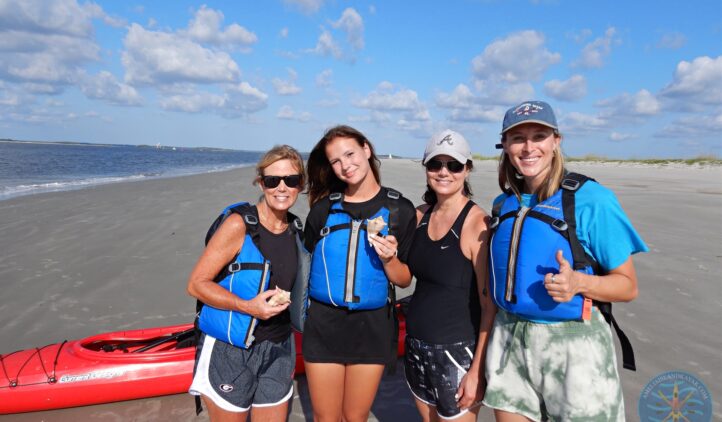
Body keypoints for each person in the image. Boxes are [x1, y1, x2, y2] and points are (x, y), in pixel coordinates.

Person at [482, 101, 648, 421]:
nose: (528, 147)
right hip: (509, 340)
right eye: (518, 138)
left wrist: (579, 283)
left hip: (575, 346)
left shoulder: (592, 200)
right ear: (504, 146)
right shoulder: (503, 204)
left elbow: (628, 286)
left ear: (556, 141)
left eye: (539, 136)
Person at [303, 125, 416, 422]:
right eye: (335, 161)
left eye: (350, 154)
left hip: (372, 328)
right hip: (323, 324)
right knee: (325, 417)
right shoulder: (323, 210)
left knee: (355, 417)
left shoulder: (400, 210)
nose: (345, 165)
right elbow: (305, 261)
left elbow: (405, 279)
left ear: (366, 149)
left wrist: (389, 259)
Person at [187, 145, 308, 422]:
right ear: (260, 182)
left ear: (300, 185)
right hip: (230, 351)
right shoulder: (238, 225)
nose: (281, 187)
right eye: (272, 180)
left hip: (279, 348)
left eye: (290, 180)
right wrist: (247, 306)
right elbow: (196, 284)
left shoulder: (296, 230)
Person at [404, 130, 497, 422]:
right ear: (426, 167)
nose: (444, 172)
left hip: (457, 353)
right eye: (436, 164)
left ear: (467, 169)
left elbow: (488, 305)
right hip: (415, 347)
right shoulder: (419, 215)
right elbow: (404, 276)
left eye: (454, 165)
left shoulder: (477, 223)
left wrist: (477, 371)